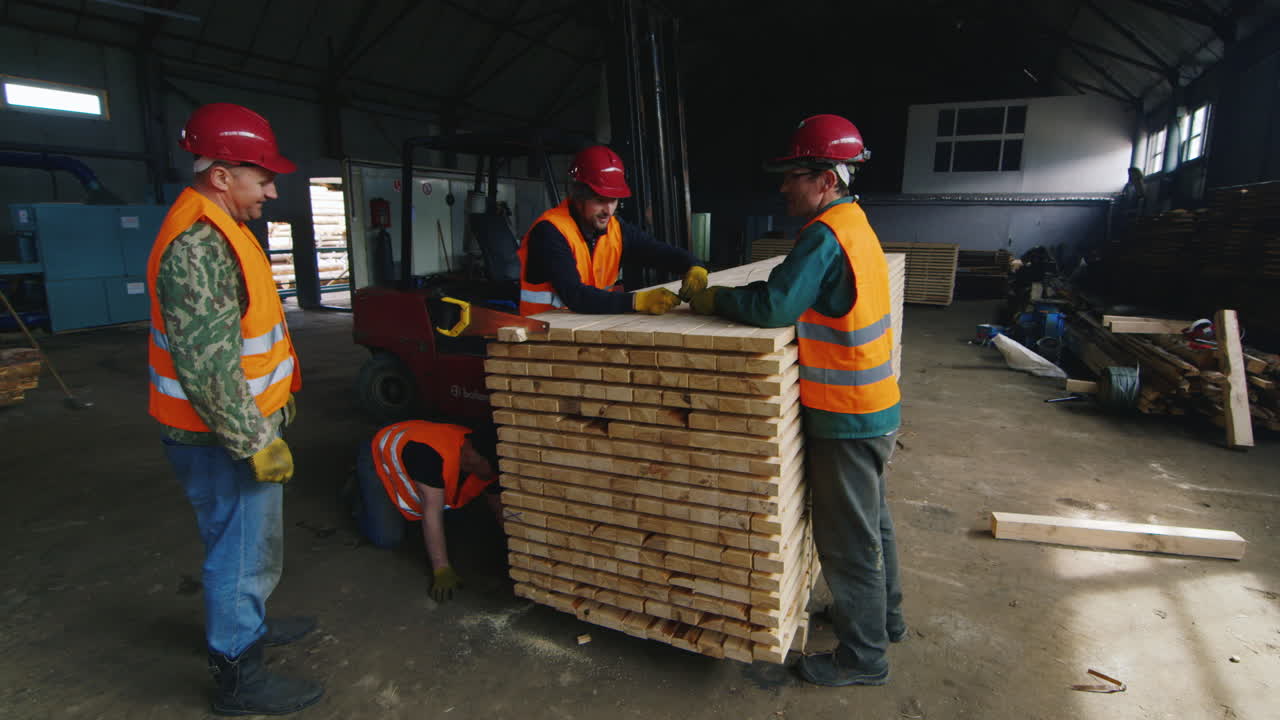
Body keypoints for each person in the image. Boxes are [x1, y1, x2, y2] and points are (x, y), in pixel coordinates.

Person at [689, 114, 905, 687]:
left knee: (847, 539)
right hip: (876, 403)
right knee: (873, 521)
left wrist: (712, 301)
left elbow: (775, 307)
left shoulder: (824, 235)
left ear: (827, 179)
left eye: (793, 175)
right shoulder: (857, 224)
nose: (783, 187)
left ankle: (865, 659)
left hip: (846, 413)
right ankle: (887, 619)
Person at [146, 102, 323, 715]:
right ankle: (238, 675)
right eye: (263, 177)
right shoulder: (198, 244)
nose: (273, 190)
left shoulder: (221, 225)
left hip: (231, 424)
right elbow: (208, 367)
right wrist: (254, 439)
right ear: (221, 174)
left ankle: (248, 623)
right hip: (216, 436)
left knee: (243, 547)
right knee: (241, 555)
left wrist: (276, 400)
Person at [517, 145, 708, 316]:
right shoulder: (550, 231)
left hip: (588, 331)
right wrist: (636, 301)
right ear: (578, 197)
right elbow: (575, 295)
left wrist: (693, 265)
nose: (608, 211)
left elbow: (656, 251)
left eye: (614, 200)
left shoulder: (615, 229)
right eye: (600, 200)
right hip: (541, 338)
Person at [352, 420, 501, 601]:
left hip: (416, 458)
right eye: (494, 469)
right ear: (473, 457)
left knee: (455, 520)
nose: (497, 475)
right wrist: (441, 569)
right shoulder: (430, 456)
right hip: (378, 455)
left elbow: (499, 507)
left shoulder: (485, 462)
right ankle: (357, 494)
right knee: (387, 538)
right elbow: (432, 513)